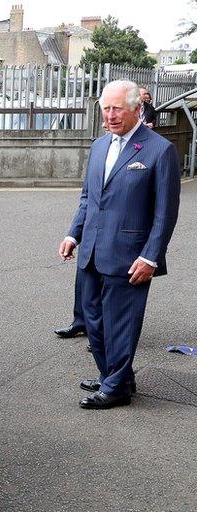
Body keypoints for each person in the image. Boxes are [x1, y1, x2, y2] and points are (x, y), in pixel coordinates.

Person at [58, 79, 180, 410]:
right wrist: (74, 234)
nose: (110, 116)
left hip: (131, 257)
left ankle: (116, 388)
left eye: (117, 109)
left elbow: (164, 213)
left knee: (120, 324)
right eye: (105, 109)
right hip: (93, 251)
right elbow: (88, 198)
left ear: (137, 109)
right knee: (94, 320)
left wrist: (151, 257)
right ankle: (115, 375)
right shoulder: (99, 146)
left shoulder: (159, 150)